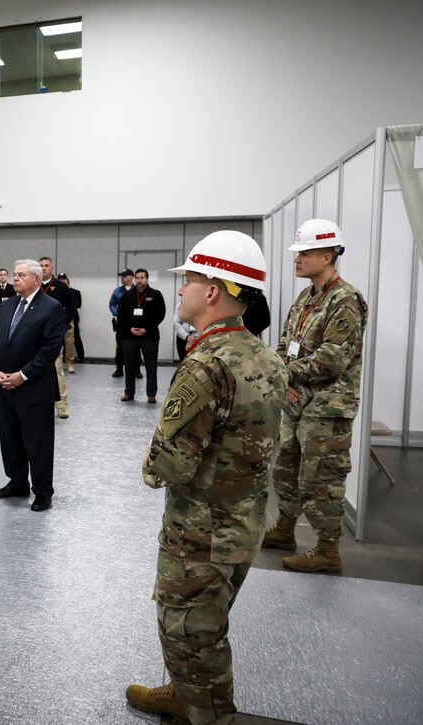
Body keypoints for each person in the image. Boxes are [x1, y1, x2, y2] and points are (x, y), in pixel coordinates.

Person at [125, 230, 286, 725]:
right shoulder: (264, 356)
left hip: (201, 534)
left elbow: (167, 467)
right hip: (242, 523)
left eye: (189, 280)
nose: (181, 290)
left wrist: (151, 456)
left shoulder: (206, 366)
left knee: (190, 633)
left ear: (213, 290)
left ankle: (208, 714)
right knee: (207, 624)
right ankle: (183, 692)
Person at [262, 219, 367, 574]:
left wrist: (286, 373)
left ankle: (327, 550)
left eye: (304, 252)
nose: (297, 259)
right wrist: (281, 372)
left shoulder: (346, 300)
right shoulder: (307, 297)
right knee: (286, 470)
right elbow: (284, 344)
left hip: (326, 409)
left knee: (321, 479)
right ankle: (285, 531)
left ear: (327, 256)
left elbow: (331, 359)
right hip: (296, 403)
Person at [0, 259, 65, 512]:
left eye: (21, 275)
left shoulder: (51, 308)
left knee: (38, 442)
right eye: (14, 274)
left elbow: (50, 349)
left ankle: (43, 491)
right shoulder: (8, 305)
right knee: (10, 440)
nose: (15, 279)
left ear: (36, 278)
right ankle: (18, 482)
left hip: (34, 388)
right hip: (6, 385)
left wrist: (22, 375)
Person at [117, 268, 166, 404]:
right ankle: (129, 392)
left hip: (149, 336)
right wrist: (129, 328)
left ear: (147, 279)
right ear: (134, 279)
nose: (139, 280)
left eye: (142, 278)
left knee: (151, 366)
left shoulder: (156, 295)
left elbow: (160, 315)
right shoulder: (127, 296)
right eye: (137, 278)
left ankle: (151, 394)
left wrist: (146, 329)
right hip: (130, 336)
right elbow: (121, 316)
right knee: (129, 365)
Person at [38, 257, 75, 419]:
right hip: (33, 335)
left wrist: (62, 324)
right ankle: (37, 404)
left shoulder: (60, 287)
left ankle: (61, 405)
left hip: (53, 335)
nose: (44, 268)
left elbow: (71, 307)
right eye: (41, 266)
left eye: (46, 266)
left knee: (56, 368)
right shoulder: (33, 285)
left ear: (52, 268)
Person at [109, 268, 134, 377]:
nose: (122, 278)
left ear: (130, 277)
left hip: (135, 323)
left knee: (136, 348)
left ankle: (136, 370)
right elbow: (112, 304)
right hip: (121, 324)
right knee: (120, 347)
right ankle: (119, 369)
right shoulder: (117, 291)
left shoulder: (137, 290)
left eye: (124, 276)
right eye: (121, 276)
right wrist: (117, 313)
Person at [58, 273, 84, 370]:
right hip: (56, 318)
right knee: (56, 342)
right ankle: (58, 363)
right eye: (60, 280)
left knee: (69, 342)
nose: (62, 281)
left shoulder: (71, 292)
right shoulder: (56, 291)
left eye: (64, 280)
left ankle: (70, 362)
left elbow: (74, 305)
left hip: (68, 318)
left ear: (67, 281)